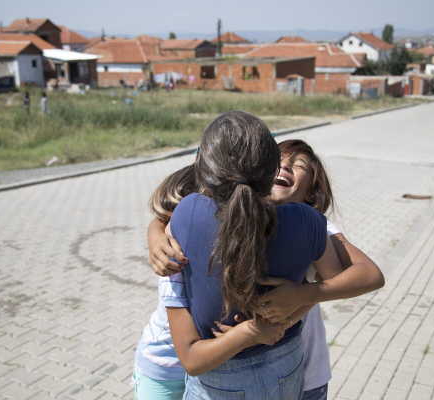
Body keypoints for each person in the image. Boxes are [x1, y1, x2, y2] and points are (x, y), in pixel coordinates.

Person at [137, 115, 383, 399]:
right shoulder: (307, 221)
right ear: (267, 171)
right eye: (280, 159)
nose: (287, 166)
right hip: (284, 361)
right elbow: (168, 215)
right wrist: (154, 232)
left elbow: (366, 275)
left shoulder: (191, 214)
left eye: (299, 165)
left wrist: (303, 295)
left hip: (232, 367)